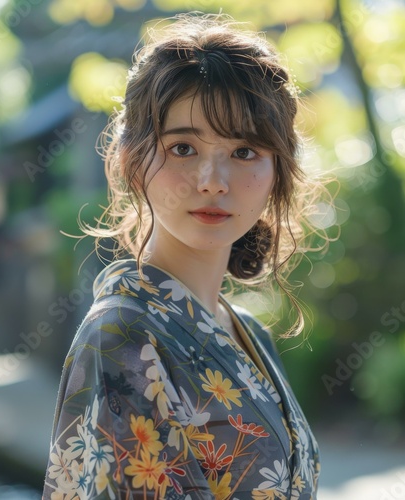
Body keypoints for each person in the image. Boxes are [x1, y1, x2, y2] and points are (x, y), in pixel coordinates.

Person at [43, 12, 323, 499]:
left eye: (244, 151)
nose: (213, 180)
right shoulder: (123, 335)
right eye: (183, 147)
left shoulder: (246, 331)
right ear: (132, 161)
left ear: (278, 170)